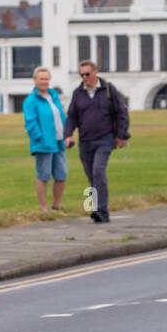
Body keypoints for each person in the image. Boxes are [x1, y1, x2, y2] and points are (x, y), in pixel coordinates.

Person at [63, 59, 130, 224]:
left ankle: (102, 210)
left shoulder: (108, 90)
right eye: (82, 75)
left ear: (95, 72)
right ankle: (95, 210)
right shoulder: (78, 93)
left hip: (105, 139)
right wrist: (68, 135)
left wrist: (121, 136)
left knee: (98, 171)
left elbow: (121, 113)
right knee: (91, 177)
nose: (85, 77)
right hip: (85, 141)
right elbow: (72, 116)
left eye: (87, 74)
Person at [22, 67, 68, 211]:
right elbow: (30, 122)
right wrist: (39, 138)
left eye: (47, 79)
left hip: (59, 141)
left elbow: (61, 116)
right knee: (44, 175)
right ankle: (43, 207)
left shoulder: (53, 96)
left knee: (61, 174)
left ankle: (57, 205)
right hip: (43, 144)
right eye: (41, 79)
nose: (44, 81)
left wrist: (67, 134)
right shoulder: (31, 100)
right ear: (35, 80)